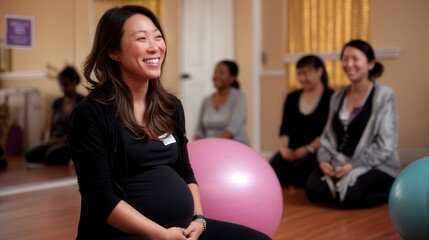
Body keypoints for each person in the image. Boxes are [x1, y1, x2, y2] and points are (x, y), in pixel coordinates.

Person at [67, 5, 271, 240]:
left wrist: (199, 219)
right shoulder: (91, 113)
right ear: (114, 51)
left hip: (183, 230)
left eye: (158, 36)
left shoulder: (170, 106)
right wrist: (161, 235)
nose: (155, 47)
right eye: (141, 38)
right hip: (124, 234)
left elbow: (185, 171)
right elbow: (100, 199)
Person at [305, 39, 402, 209]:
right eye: (345, 58)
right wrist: (324, 162)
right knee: (313, 190)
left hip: (376, 163)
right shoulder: (337, 96)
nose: (349, 64)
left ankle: (390, 192)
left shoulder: (384, 95)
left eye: (355, 59)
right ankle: (339, 191)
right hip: (340, 160)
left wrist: (353, 166)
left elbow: (386, 146)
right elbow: (327, 137)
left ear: (371, 63)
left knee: (350, 197)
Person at [270, 55, 333, 188]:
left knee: (301, 173)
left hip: (317, 151)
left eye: (306, 73)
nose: (302, 78)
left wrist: (308, 149)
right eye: (299, 74)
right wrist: (283, 149)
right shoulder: (292, 97)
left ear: (319, 71)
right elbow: (285, 127)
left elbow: (328, 133)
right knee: (273, 171)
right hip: (293, 150)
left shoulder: (331, 97)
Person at [25, 66, 84, 165]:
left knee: (50, 157)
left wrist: (60, 140)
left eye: (65, 84)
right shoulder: (57, 102)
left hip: (70, 142)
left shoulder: (82, 102)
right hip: (54, 139)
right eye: (61, 84)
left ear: (74, 83)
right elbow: (50, 125)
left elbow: (81, 131)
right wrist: (47, 138)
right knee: (29, 155)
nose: (62, 88)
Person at [194, 60, 249, 145]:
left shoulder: (239, 97)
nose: (217, 76)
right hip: (210, 148)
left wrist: (213, 147)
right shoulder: (206, 101)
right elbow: (199, 131)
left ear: (232, 78)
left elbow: (232, 130)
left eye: (221, 73)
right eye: (215, 72)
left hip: (235, 147)